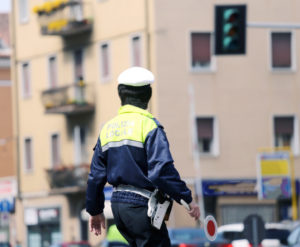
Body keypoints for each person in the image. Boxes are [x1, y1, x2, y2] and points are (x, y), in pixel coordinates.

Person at [86, 67, 200, 247]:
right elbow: (161, 172)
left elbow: (95, 177)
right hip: (142, 207)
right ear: (148, 95)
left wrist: (94, 210)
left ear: (120, 95)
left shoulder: (108, 129)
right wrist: (187, 199)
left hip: (118, 207)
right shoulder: (150, 127)